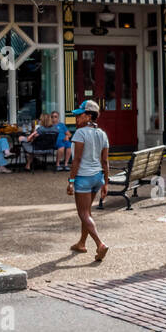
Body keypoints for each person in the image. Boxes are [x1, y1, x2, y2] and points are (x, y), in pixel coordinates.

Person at [66, 100, 110, 261]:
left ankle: (100, 244)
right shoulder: (102, 133)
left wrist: (71, 180)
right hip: (97, 177)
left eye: (80, 115)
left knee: (83, 213)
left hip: (83, 177)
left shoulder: (80, 133)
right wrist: (106, 182)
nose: (77, 118)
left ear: (89, 116)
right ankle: (82, 243)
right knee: (87, 212)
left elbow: (76, 159)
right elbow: (105, 161)